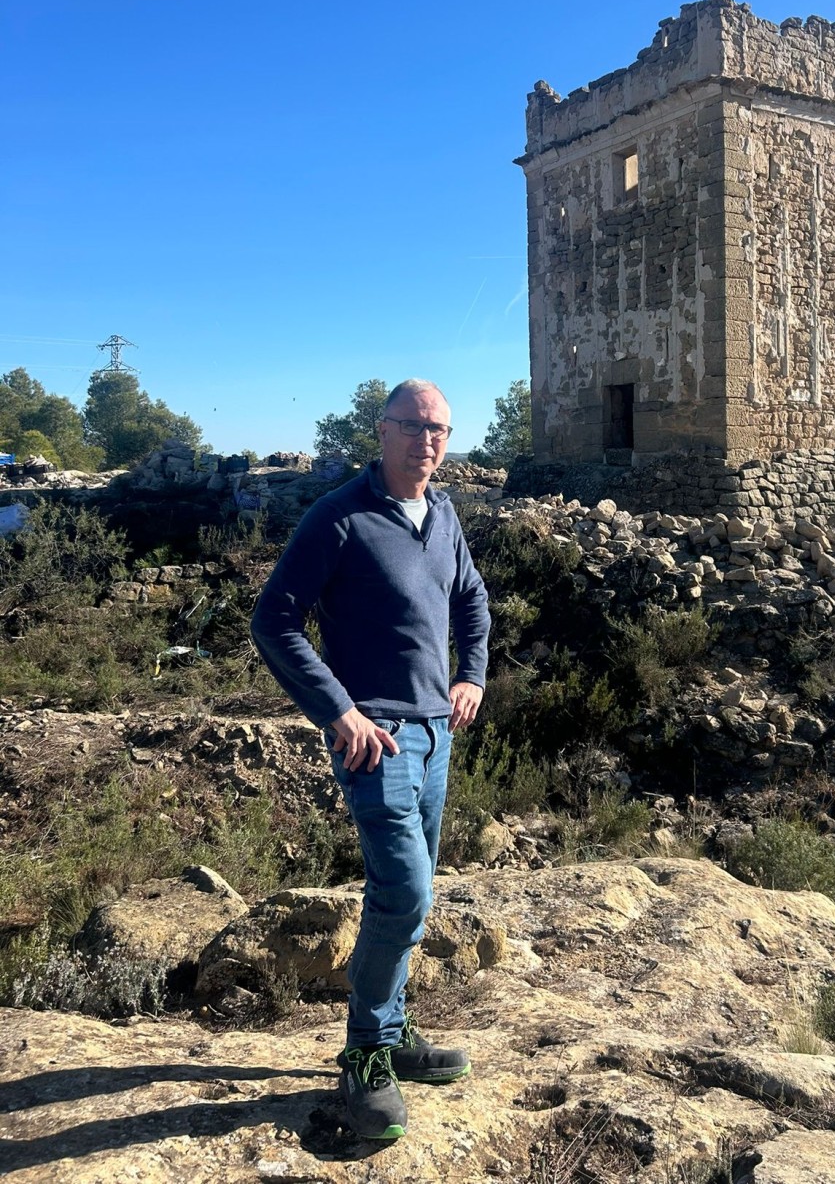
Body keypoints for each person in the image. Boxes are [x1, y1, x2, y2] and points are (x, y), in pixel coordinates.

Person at [251, 379, 490, 1141]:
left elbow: (473, 602)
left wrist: (472, 674)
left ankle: (391, 1030)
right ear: (382, 431)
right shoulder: (338, 518)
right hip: (374, 736)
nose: (430, 441)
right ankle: (363, 1053)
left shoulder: (444, 515)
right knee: (408, 890)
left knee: (412, 891)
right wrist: (338, 710)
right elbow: (273, 620)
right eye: (416, 426)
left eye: (442, 430)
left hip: (434, 733)